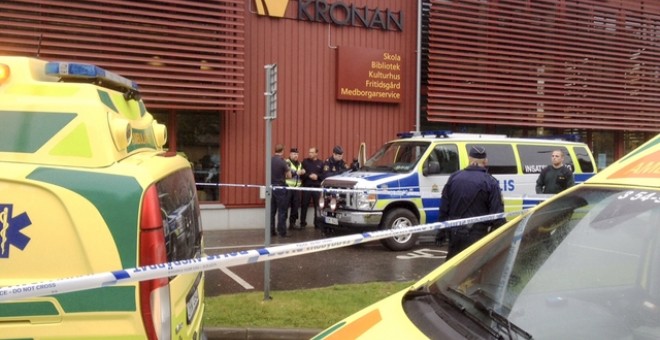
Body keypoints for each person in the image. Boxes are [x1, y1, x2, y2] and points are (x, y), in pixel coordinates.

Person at [437, 146, 506, 260]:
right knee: (474, 271)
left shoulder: (454, 178)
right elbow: (497, 216)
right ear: (485, 161)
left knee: (452, 269)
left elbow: (444, 207)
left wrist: (441, 231)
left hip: (455, 234)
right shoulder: (490, 182)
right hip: (477, 236)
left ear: (469, 159)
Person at [270, 144, 292, 237]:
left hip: (272, 187)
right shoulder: (283, 162)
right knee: (282, 211)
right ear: (282, 151)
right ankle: (282, 232)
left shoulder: (270, 160)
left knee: (272, 211)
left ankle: (271, 231)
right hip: (280, 187)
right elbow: (289, 176)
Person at [300, 147, 324, 228]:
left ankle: (317, 224)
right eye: (309, 152)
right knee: (304, 205)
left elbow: (324, 175)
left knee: (317, 206)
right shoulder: (305, 162)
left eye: (312, 152)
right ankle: (302, 223)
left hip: (317, 188)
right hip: (307, 187)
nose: (310, 154)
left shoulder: (321, 163)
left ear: (316, 153)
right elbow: (302, 173)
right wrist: (309, 176)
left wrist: (317, 177)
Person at [285, 147, 305, 229]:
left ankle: (292, 224)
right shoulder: (287, 162)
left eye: (297, 154)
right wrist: (297, 172)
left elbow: (301, 173)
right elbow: (287, 174)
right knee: (285, 207)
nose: (295, 155)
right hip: (288, 188)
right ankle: (282, 225)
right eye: (294, 154)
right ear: (290, 154)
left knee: (295, 207)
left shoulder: (299, 164)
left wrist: (303, 171)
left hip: (296, 189)